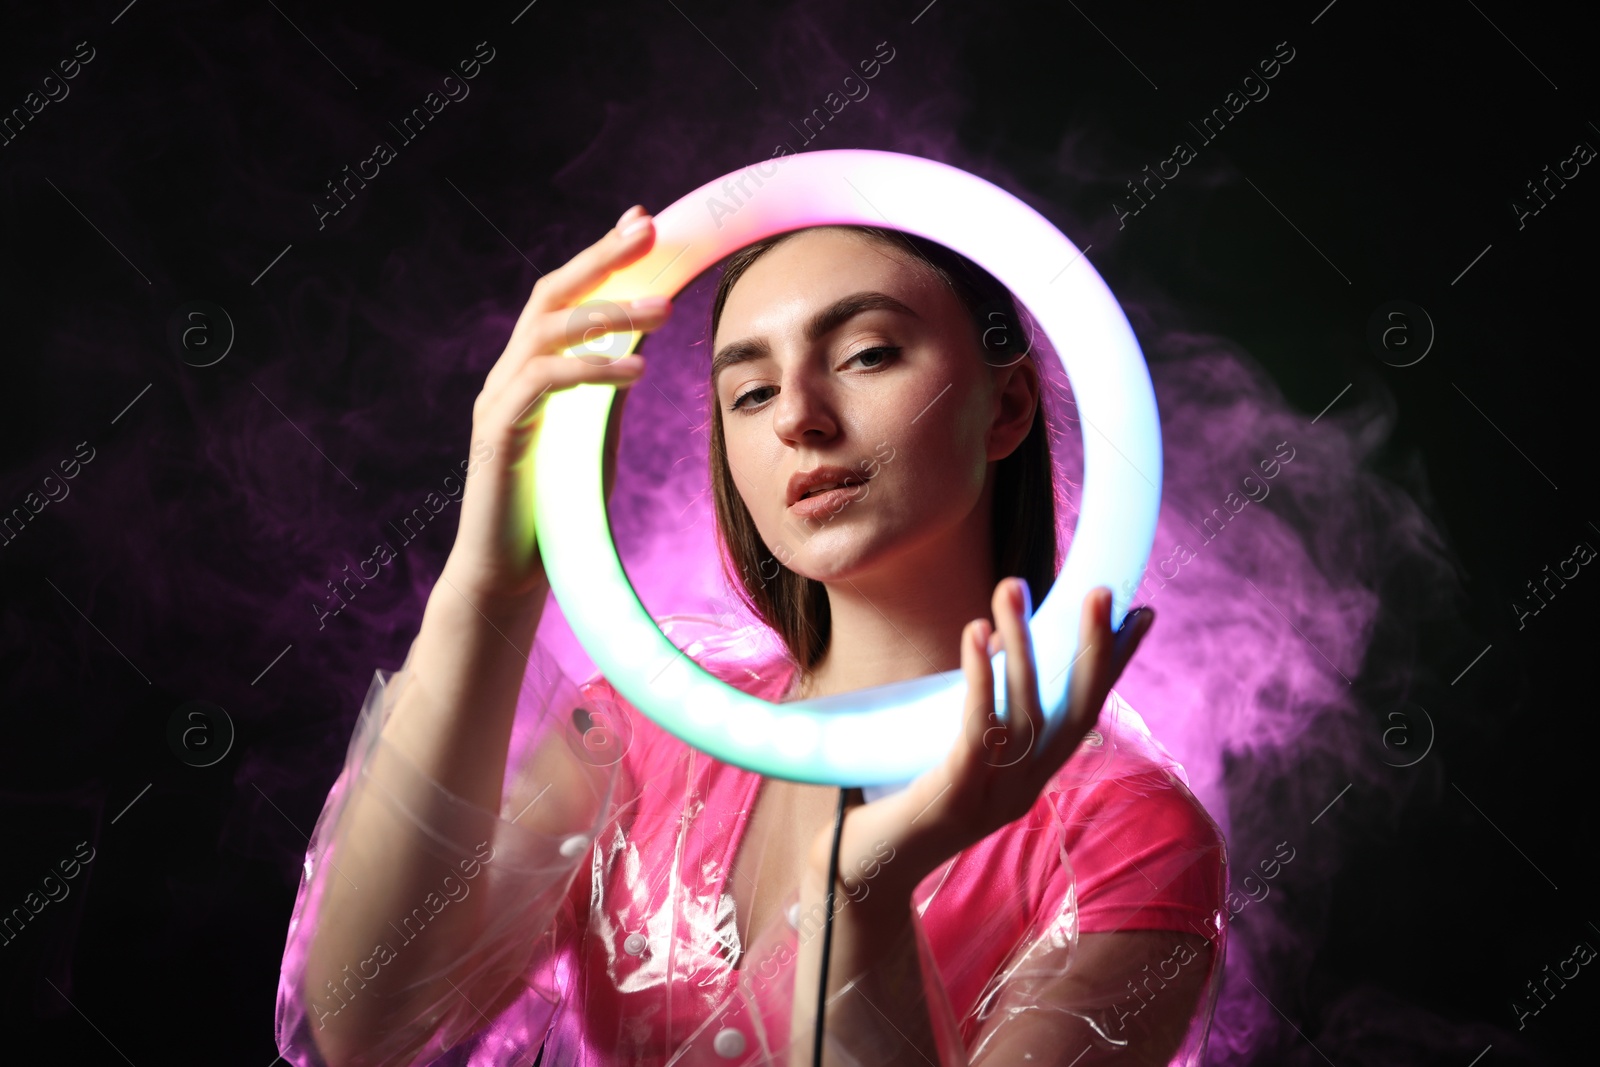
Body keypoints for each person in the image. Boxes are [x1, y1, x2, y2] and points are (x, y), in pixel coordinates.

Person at [274, 205, 1229, 1067]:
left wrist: (863, 893)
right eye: (751, 393)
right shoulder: (643, 737)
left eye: (865, 354)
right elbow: (365, 1022)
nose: (802, 422)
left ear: (1007, 406)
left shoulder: (1124, 835)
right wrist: (491, 583)